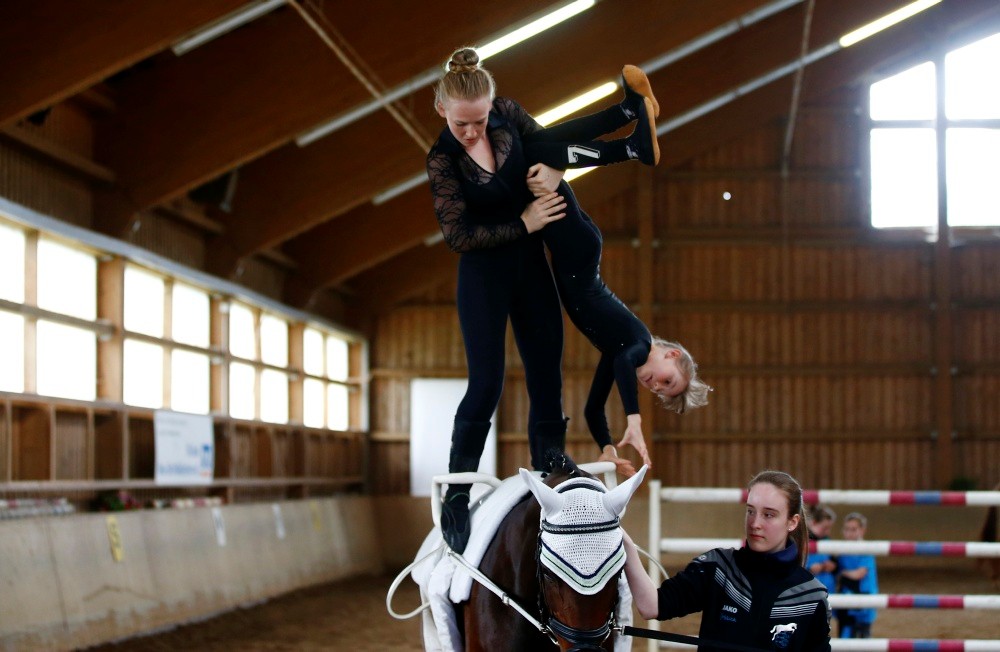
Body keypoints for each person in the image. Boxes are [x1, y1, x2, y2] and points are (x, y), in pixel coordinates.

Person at [427, 46, 706, 553]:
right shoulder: (443, 160)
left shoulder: (506, 115)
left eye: (481, 121)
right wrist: (525, 223)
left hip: (532, 268)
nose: (474, 132)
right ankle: (458, 490)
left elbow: (551, 144)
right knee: (486, 383)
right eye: (463, 124)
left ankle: (549, 456)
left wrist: (556, 175)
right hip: (484, 276)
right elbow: (458, 235)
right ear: (442, 110)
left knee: (546, 371)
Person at [622, 470, 832, 651]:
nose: (755, 523)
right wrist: (626, 544)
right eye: (750, 511)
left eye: (769, 515)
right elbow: (652, 606)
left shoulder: (811, 595)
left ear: (792, 522)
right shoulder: (717, 567)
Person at [835, 512, 878, 638]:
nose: (849, 533)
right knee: (845, 637)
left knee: (862, 640)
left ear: (862, 530)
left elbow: (859, 574)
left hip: (863, 602)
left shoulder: (866, 549)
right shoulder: (842, 550)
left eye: (853, 529)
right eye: (847, 529)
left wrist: (841, 573)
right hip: (847, 601)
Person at [806, 504, 838, 594]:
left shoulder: (827, 541)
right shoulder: (802, 540)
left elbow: (835, 563)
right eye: (825, 528)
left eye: (829, 528)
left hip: (828, 589)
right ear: (813, 522)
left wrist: (833, 565)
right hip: (809, 590)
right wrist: (810, 569)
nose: (828, 532)